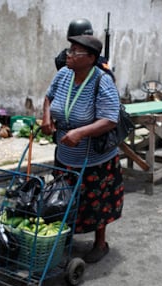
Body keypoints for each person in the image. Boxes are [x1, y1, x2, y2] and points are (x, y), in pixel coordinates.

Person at [42, 35, 123, 263]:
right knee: (63, 199)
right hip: (65, 154)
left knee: (97, 203)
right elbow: (48, 98)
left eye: (75, 51)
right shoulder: (63, 74)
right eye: (70, 49)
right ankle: (65, 236)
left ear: (90, 58)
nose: (69, 54)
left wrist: (81, 132)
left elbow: (110, 119)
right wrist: (46, 118)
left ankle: (100, 243)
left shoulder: (102, 80)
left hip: (95, 159)